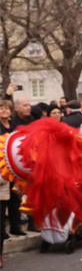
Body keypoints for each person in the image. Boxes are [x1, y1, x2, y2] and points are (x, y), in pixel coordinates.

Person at [0, 100, 22, 238]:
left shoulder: (14, 125)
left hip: (14, 166)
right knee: (3, 201)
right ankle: (2, 231)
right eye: (1, 108)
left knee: (15, 198)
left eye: (6, 108)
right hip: (2, 167)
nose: (4, 110)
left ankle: (15, 226)